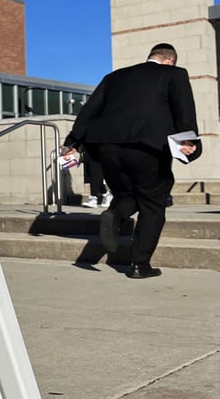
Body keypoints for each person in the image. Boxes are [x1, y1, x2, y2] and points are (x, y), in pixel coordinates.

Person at [62, 43, 201, 279]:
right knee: (153, 203)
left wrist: (72, 141)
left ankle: (115, 215)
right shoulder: (174, 73)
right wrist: (189, 139)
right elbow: (183, 108)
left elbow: (89, 110)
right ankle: (140, 264)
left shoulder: (114, 77)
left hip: (107, 149)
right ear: (170, 60)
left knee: (128, 195)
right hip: (146, 147)